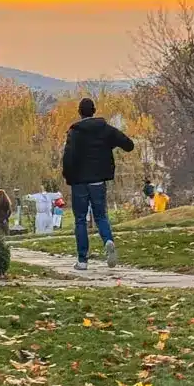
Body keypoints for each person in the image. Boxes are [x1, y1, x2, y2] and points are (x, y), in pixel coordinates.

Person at [61, 96, 135, 271]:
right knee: (101, 215)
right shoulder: (106, 130)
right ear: (94, 111)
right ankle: (108, 240)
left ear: (80, 113)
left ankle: (82, 260)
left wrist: (68, 176)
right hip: (98, 180)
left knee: (80, 219)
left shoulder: (75, 132)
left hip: (79, 181)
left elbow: (68, 158)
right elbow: (129, 145)